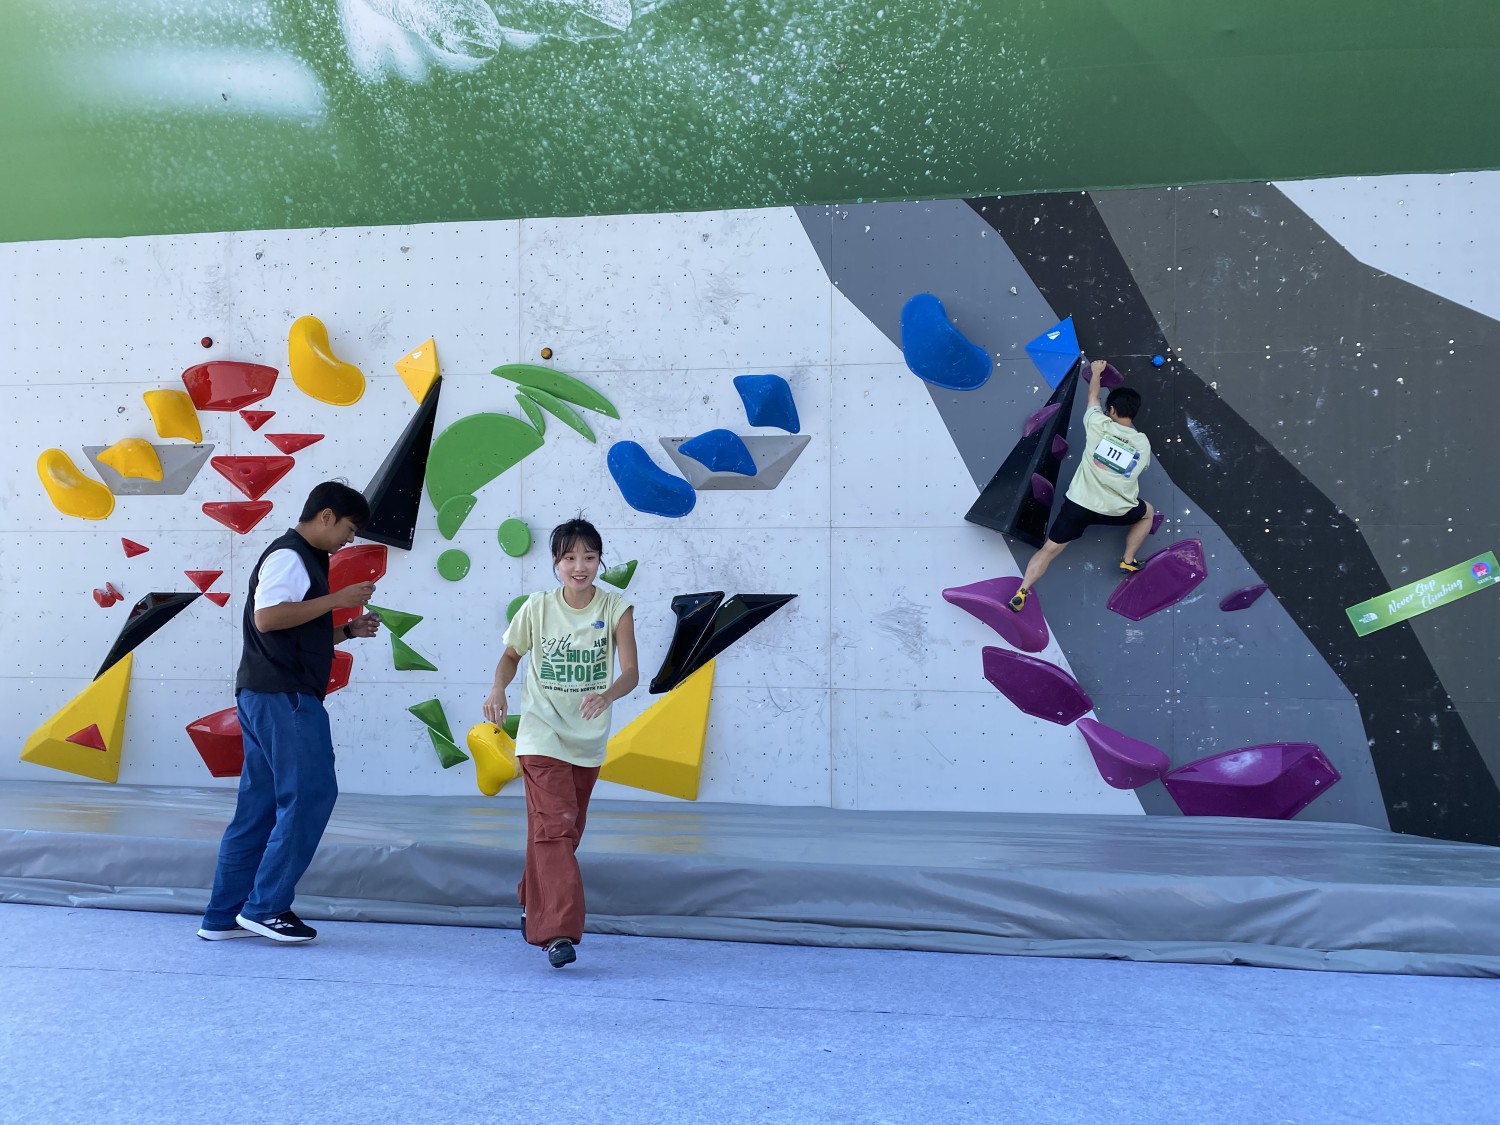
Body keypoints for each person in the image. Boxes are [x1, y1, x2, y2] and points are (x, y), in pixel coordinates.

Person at [197, 482, 381, 943]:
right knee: (311, 794)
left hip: (265, 695)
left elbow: (294, 631)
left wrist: (348, 631)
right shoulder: (290, 556)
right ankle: (266, 908)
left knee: (258, 809)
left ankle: (224, 915)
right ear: (326, 516)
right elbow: (268, 618)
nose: (349, 540)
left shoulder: (302, 558)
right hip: (286, 698)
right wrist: (337, 600)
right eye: (349, 529)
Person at [483, 518, 638, 968]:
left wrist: (607, 695)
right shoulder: (537, 607)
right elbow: (510, 655)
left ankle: (530, 898)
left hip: (587, 739)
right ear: (556, 562)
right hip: (540, 734)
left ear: (600, 561)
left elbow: (631, 672)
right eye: (569, 557)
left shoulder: (616, 607)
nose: (579, 566)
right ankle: (557, 932)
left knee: (564, 831)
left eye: (589, 556)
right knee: (555, 827)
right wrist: (498, 688)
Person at [1009, 360, 1154, 612]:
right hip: (1116, 509)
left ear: (1111, 409)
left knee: (1049, 550)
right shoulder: (1143, 444)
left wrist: (1096, 372)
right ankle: (1128, 560)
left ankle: (1022, 591)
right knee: (1147, 512)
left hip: (1079, 505)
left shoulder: (1098, 424)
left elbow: (1092, 397)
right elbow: (1139, 470)